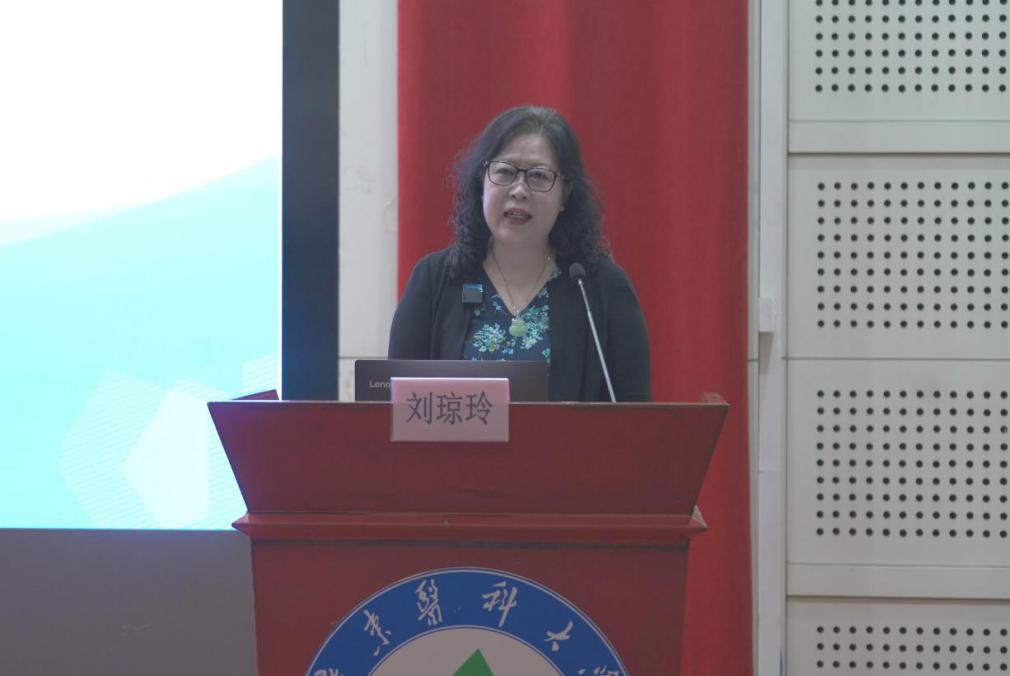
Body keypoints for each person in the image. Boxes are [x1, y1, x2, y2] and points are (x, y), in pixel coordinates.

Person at [388, 105, 650, 402]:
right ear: (482, 182)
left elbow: (633, 417)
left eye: (538, 176)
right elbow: (395, 407)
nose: (519, 190)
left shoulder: (600, 288)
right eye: (505, 172)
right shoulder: (434, 280)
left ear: (564, 194)